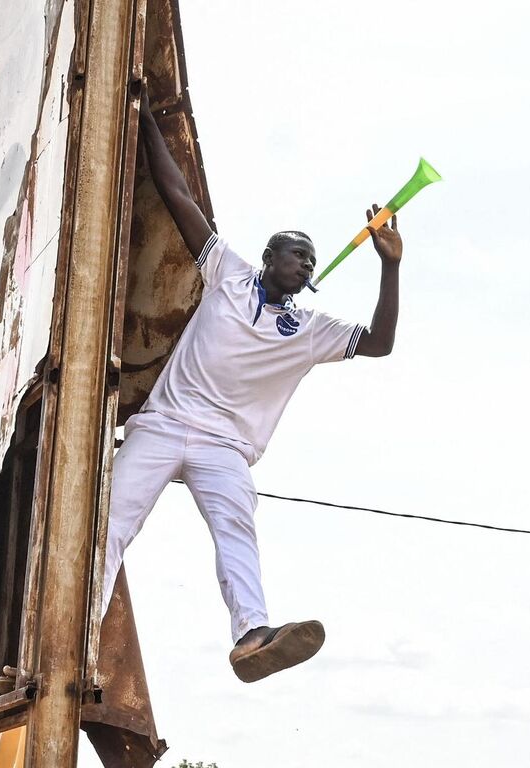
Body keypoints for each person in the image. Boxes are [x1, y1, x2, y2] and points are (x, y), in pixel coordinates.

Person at [100, 107, 403, 683]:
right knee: (112, 522)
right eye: (297, 254)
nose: (307, 263)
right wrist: (139, 119)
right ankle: (80, 635)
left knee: (237, 528)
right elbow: (176, 194)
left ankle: (252, 636)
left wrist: (390, 268)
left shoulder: (313, 328)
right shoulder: (229, 274)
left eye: (312, 260)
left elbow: (382, 343)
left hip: (226, 448)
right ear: (270, 258)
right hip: (164, 423)